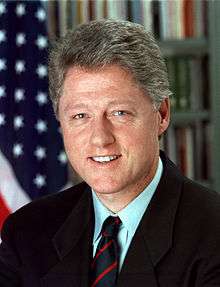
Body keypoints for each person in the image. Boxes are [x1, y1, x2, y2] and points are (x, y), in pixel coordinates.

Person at [0, 19, 220, 287]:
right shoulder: (26, 232)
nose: (100, 139)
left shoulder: (213, 233)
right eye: (80, 115)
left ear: (161, 114)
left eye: (119, 113)